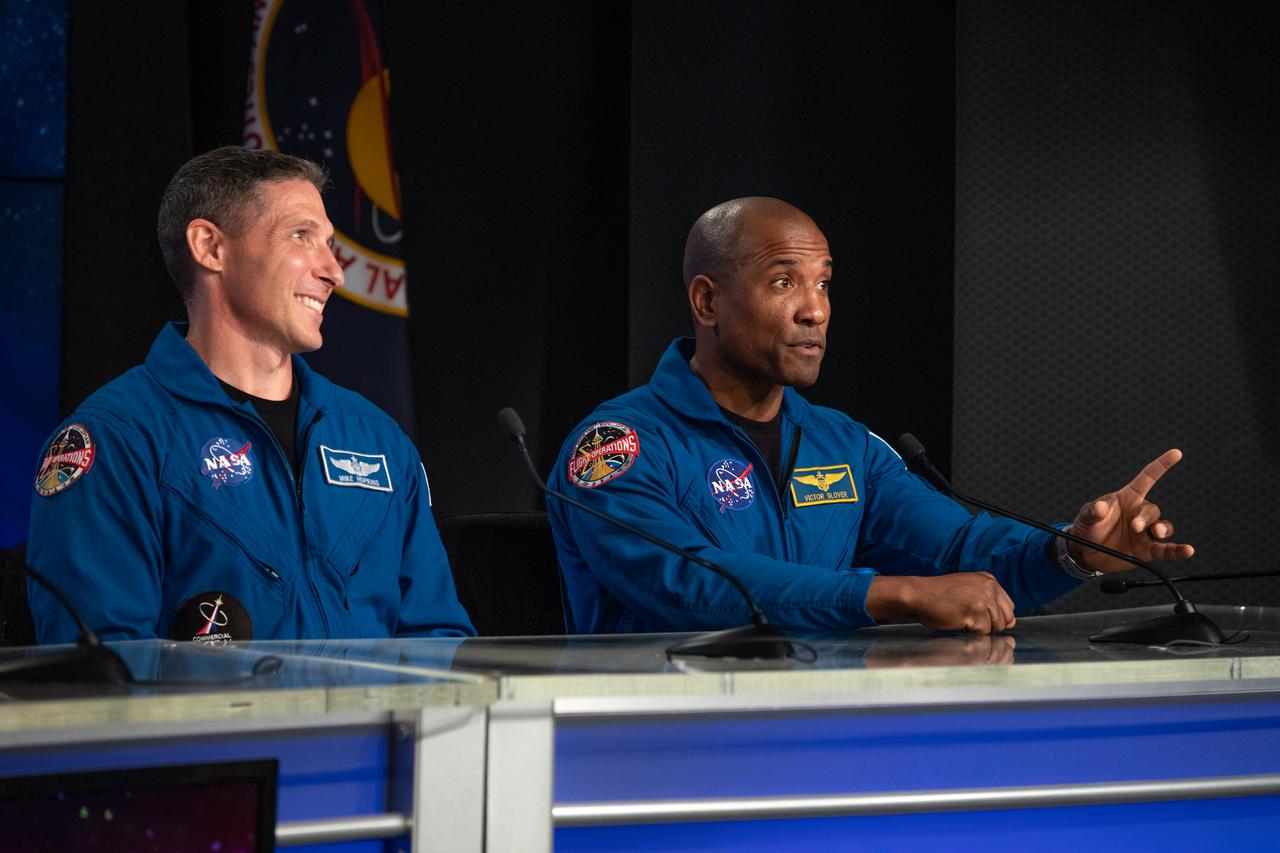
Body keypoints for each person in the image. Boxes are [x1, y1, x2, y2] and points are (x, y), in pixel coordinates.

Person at [547, 197, 1193, 635]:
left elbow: (960, 551)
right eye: (783, 282)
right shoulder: (618, 445)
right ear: (707, 300)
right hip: (662, 752)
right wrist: (889, 593)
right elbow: (688, 584)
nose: (815, 310)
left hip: (822, 744)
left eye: (824, 282)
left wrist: (1069, 551)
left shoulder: (843, 444)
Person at [26, 147, 474, 643]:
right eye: (301, 236)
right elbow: (100, 675)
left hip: (375, 724)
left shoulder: (377, 440)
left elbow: (438, 639)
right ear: (210, 248)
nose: (334, 271)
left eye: (330, 243)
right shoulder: (115, 441)